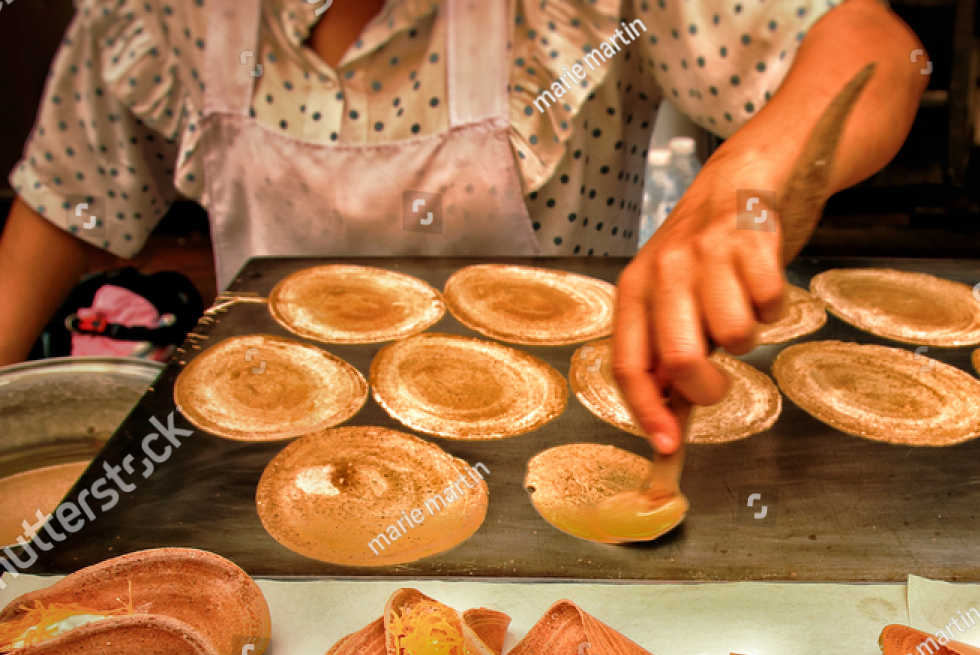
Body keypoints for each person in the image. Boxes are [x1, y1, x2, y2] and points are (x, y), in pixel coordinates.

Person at [0, 0, 926, 453]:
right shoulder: (165, 10)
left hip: (554, 455)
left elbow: (878, 50)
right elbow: (63, 204)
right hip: (261, 447)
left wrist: (743, 183)